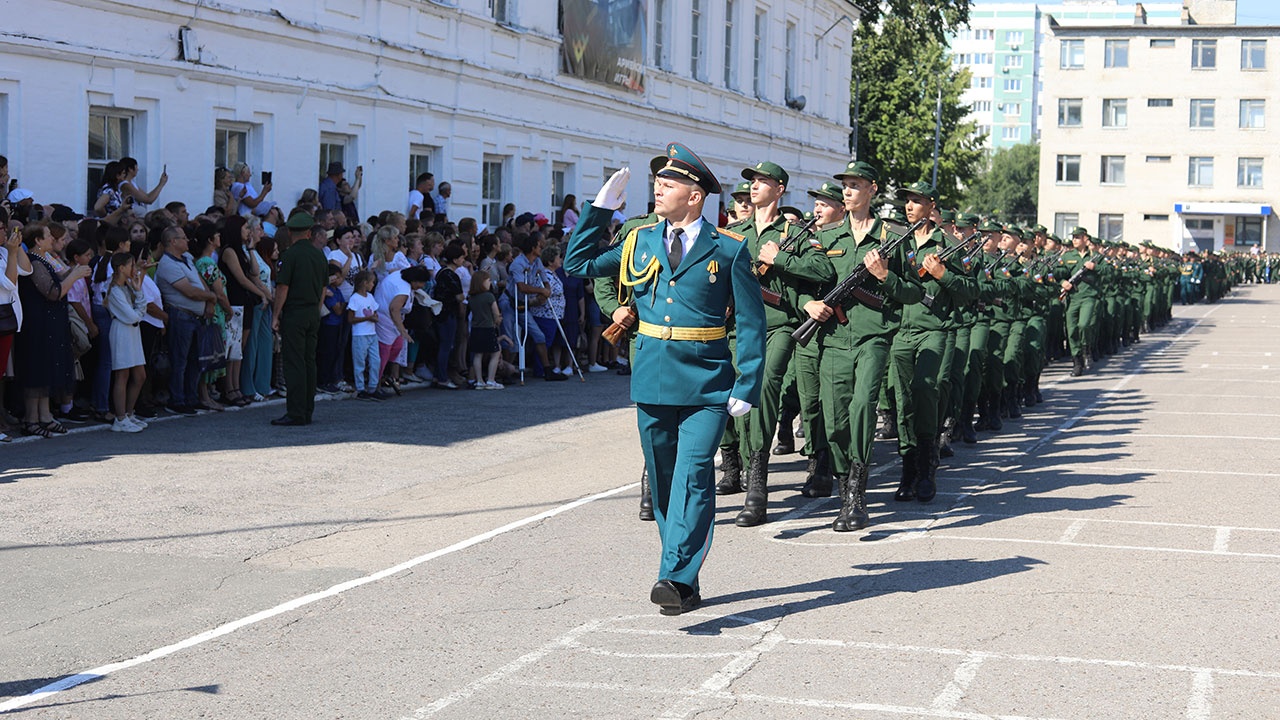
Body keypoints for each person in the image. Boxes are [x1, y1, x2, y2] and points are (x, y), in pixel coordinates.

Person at [564, 144, 767, 616]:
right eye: (657, 183)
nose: (658, 188)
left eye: (669, 184)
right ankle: (685, 574)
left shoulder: (729, 249)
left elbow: (752, 323)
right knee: (663, 478)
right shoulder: (638, 240)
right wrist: (599, 210)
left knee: (695, 477)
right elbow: (576, 266)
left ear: (695, 196)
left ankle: (673, 575)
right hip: (653, 378)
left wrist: (747, 382)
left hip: (707, 383)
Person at [14, 223, 90, 438]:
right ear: (37, 240)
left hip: (50, 321)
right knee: (37, 369)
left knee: (46, 367)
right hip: (38, 323)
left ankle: (45, 416)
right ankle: (31, 419)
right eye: (47, 235)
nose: (51, 239)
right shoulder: (35, 261)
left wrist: (73, 272)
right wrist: (74, 276)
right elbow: (52, 292)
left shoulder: (47, 258)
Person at [155, 225, 217, 415]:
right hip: (181, 316)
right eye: (183, 238)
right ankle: (177, 399)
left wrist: (210, 301)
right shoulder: (167, 264)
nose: (187, 240)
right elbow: (189, 291)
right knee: (180, 360)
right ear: (173, 241)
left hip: (196, 317)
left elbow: (200, 283)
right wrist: (212, 297)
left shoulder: (187, 258)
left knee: (195, 360)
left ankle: (191, 397)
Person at [272, 217, 328, 425]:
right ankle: (307, 410)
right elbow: (323, 288)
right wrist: (316, 309)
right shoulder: (319, 256)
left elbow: (282, 288)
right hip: (313, 311)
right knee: (309, 362)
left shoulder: (289, 256)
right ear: (309, 233)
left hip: (295, 313)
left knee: (294, 363)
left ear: (290, 233)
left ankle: (295, 412)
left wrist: (276, 315)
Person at [106, 252, 149, 432]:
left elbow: (139, 311)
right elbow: (132, 316)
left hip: (132, 332)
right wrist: (139, 314)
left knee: (140, 375)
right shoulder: (115, 290)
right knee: (122, 375)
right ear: (121, 268)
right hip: (121, 331)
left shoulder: (128, 287)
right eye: (131, 265)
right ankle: (120, 418)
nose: (134, 269)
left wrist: (138, 292)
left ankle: (129, 413)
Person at [0, 226, 33, 442]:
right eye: (1, 229)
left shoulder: (4, 251)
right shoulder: (6, 253)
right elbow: (10, 282)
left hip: (6, 321)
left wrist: (17, 247)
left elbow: (27, 269)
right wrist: (12, 252)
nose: (4, 232)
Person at [431, 244, 466, 389]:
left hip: (439, 312)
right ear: (456, 259)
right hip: (448, 313)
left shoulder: (440, 272)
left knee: (442, 345)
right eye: (462, 257)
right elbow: (459, 296)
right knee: (447, 345)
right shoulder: (452, 275)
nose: (464, 260)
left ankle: (438, 375)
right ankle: (442, 377)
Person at [346, 270, 383, 400]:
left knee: (375, 360)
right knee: (360, 362)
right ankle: (360, 388)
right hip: (360, 334)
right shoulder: (355, 298)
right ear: (365, 283)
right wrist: (367, 319)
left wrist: (374, 317)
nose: (373, 285)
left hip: (371, 333)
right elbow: (350, 319)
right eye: (372, 282)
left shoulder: (370, 297)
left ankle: (373, 387)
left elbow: (374, 312)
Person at [468, 270, 503, 389]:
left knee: (478, 354)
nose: (489, 283)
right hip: (488, 327)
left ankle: (479, 381)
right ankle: (491, 380)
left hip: (476, 328)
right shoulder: (489, 296)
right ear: (482, 282)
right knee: (495, 352)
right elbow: (496, 312)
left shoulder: (472, 297)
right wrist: (498, 320)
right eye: (488, 280)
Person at [318, 262, 347, 393]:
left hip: (336, 325)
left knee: (334, 352)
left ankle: (329, 379)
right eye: (338, 277)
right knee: (327, 353)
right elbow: (338, 310)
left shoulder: (337, 291)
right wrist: (343, 305)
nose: (340, 280)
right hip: (329, 325)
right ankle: (322, 381)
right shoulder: (329, 291)